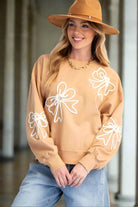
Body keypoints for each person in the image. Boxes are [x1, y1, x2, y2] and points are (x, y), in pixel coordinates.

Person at [12, 0, 123, 206]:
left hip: (87, 173)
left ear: (97, 32)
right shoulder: (46, 65)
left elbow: (112, 128)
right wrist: (54, 162)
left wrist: (86, 164)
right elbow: (36, 117)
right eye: (72, 24)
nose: (76, 31)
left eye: (85, 25)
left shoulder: (107, 77)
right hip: (46, 168)